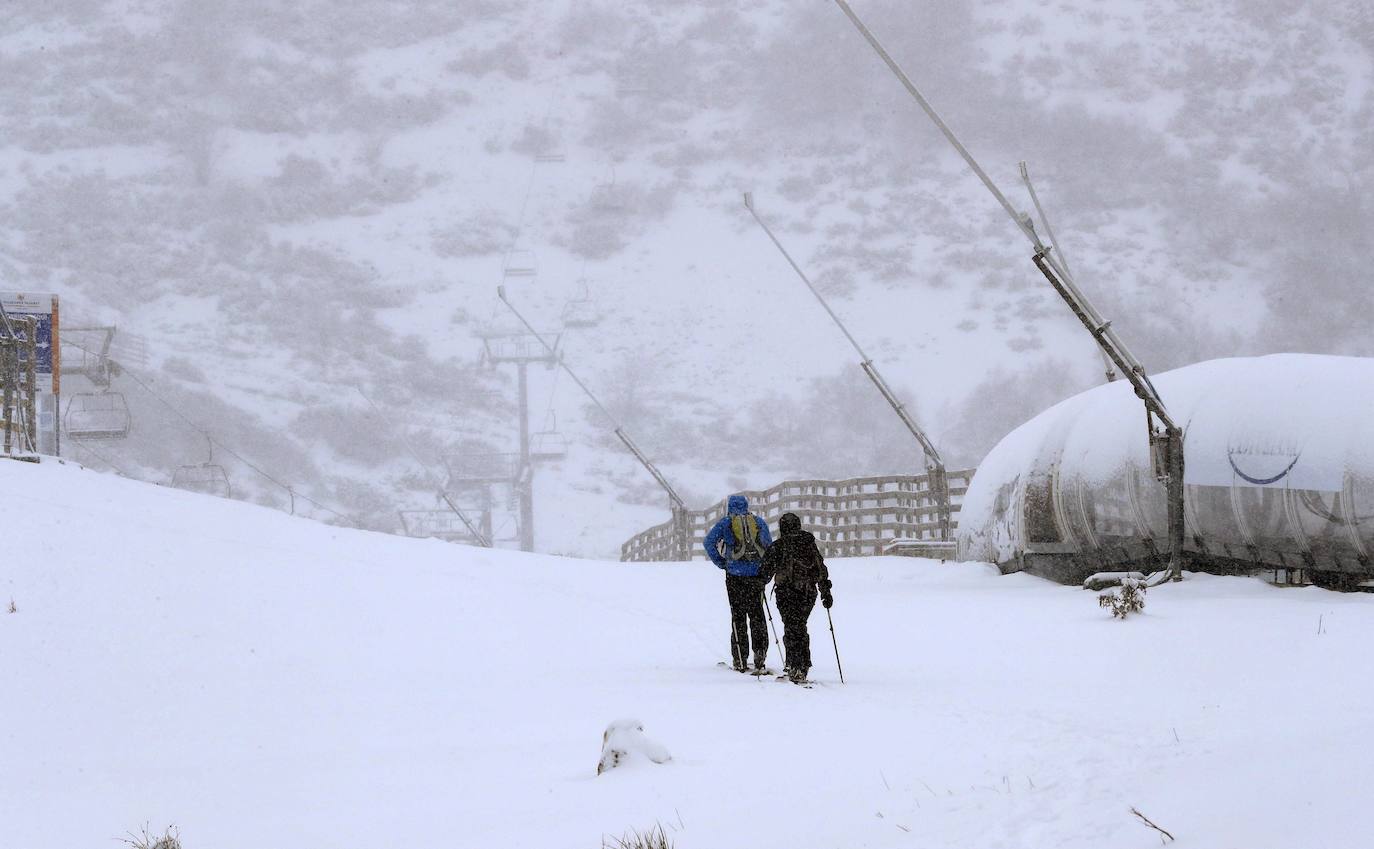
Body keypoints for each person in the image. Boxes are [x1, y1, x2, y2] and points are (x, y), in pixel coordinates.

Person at [703, 494, 774, 674]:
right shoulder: (758, 522)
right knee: (757, 615)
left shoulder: (725, 523)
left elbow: (708, 542)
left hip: (735, 575)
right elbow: (769, 547)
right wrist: (764, 571)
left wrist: (722, 562)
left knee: (738, 616)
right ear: (746, 506)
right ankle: (760, 655)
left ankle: (740, 658)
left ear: (730, 507)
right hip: (756, 576)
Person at [760, 512, 832, 684]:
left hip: (786, 592)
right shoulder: (808, 544)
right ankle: (801, 665)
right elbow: (820, 568)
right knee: (799, 626)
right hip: (808, 593)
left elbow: (765, 570)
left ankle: (795, 665)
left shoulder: (779, 546)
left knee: (792, 627)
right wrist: (825, 592)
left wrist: (759, 583)